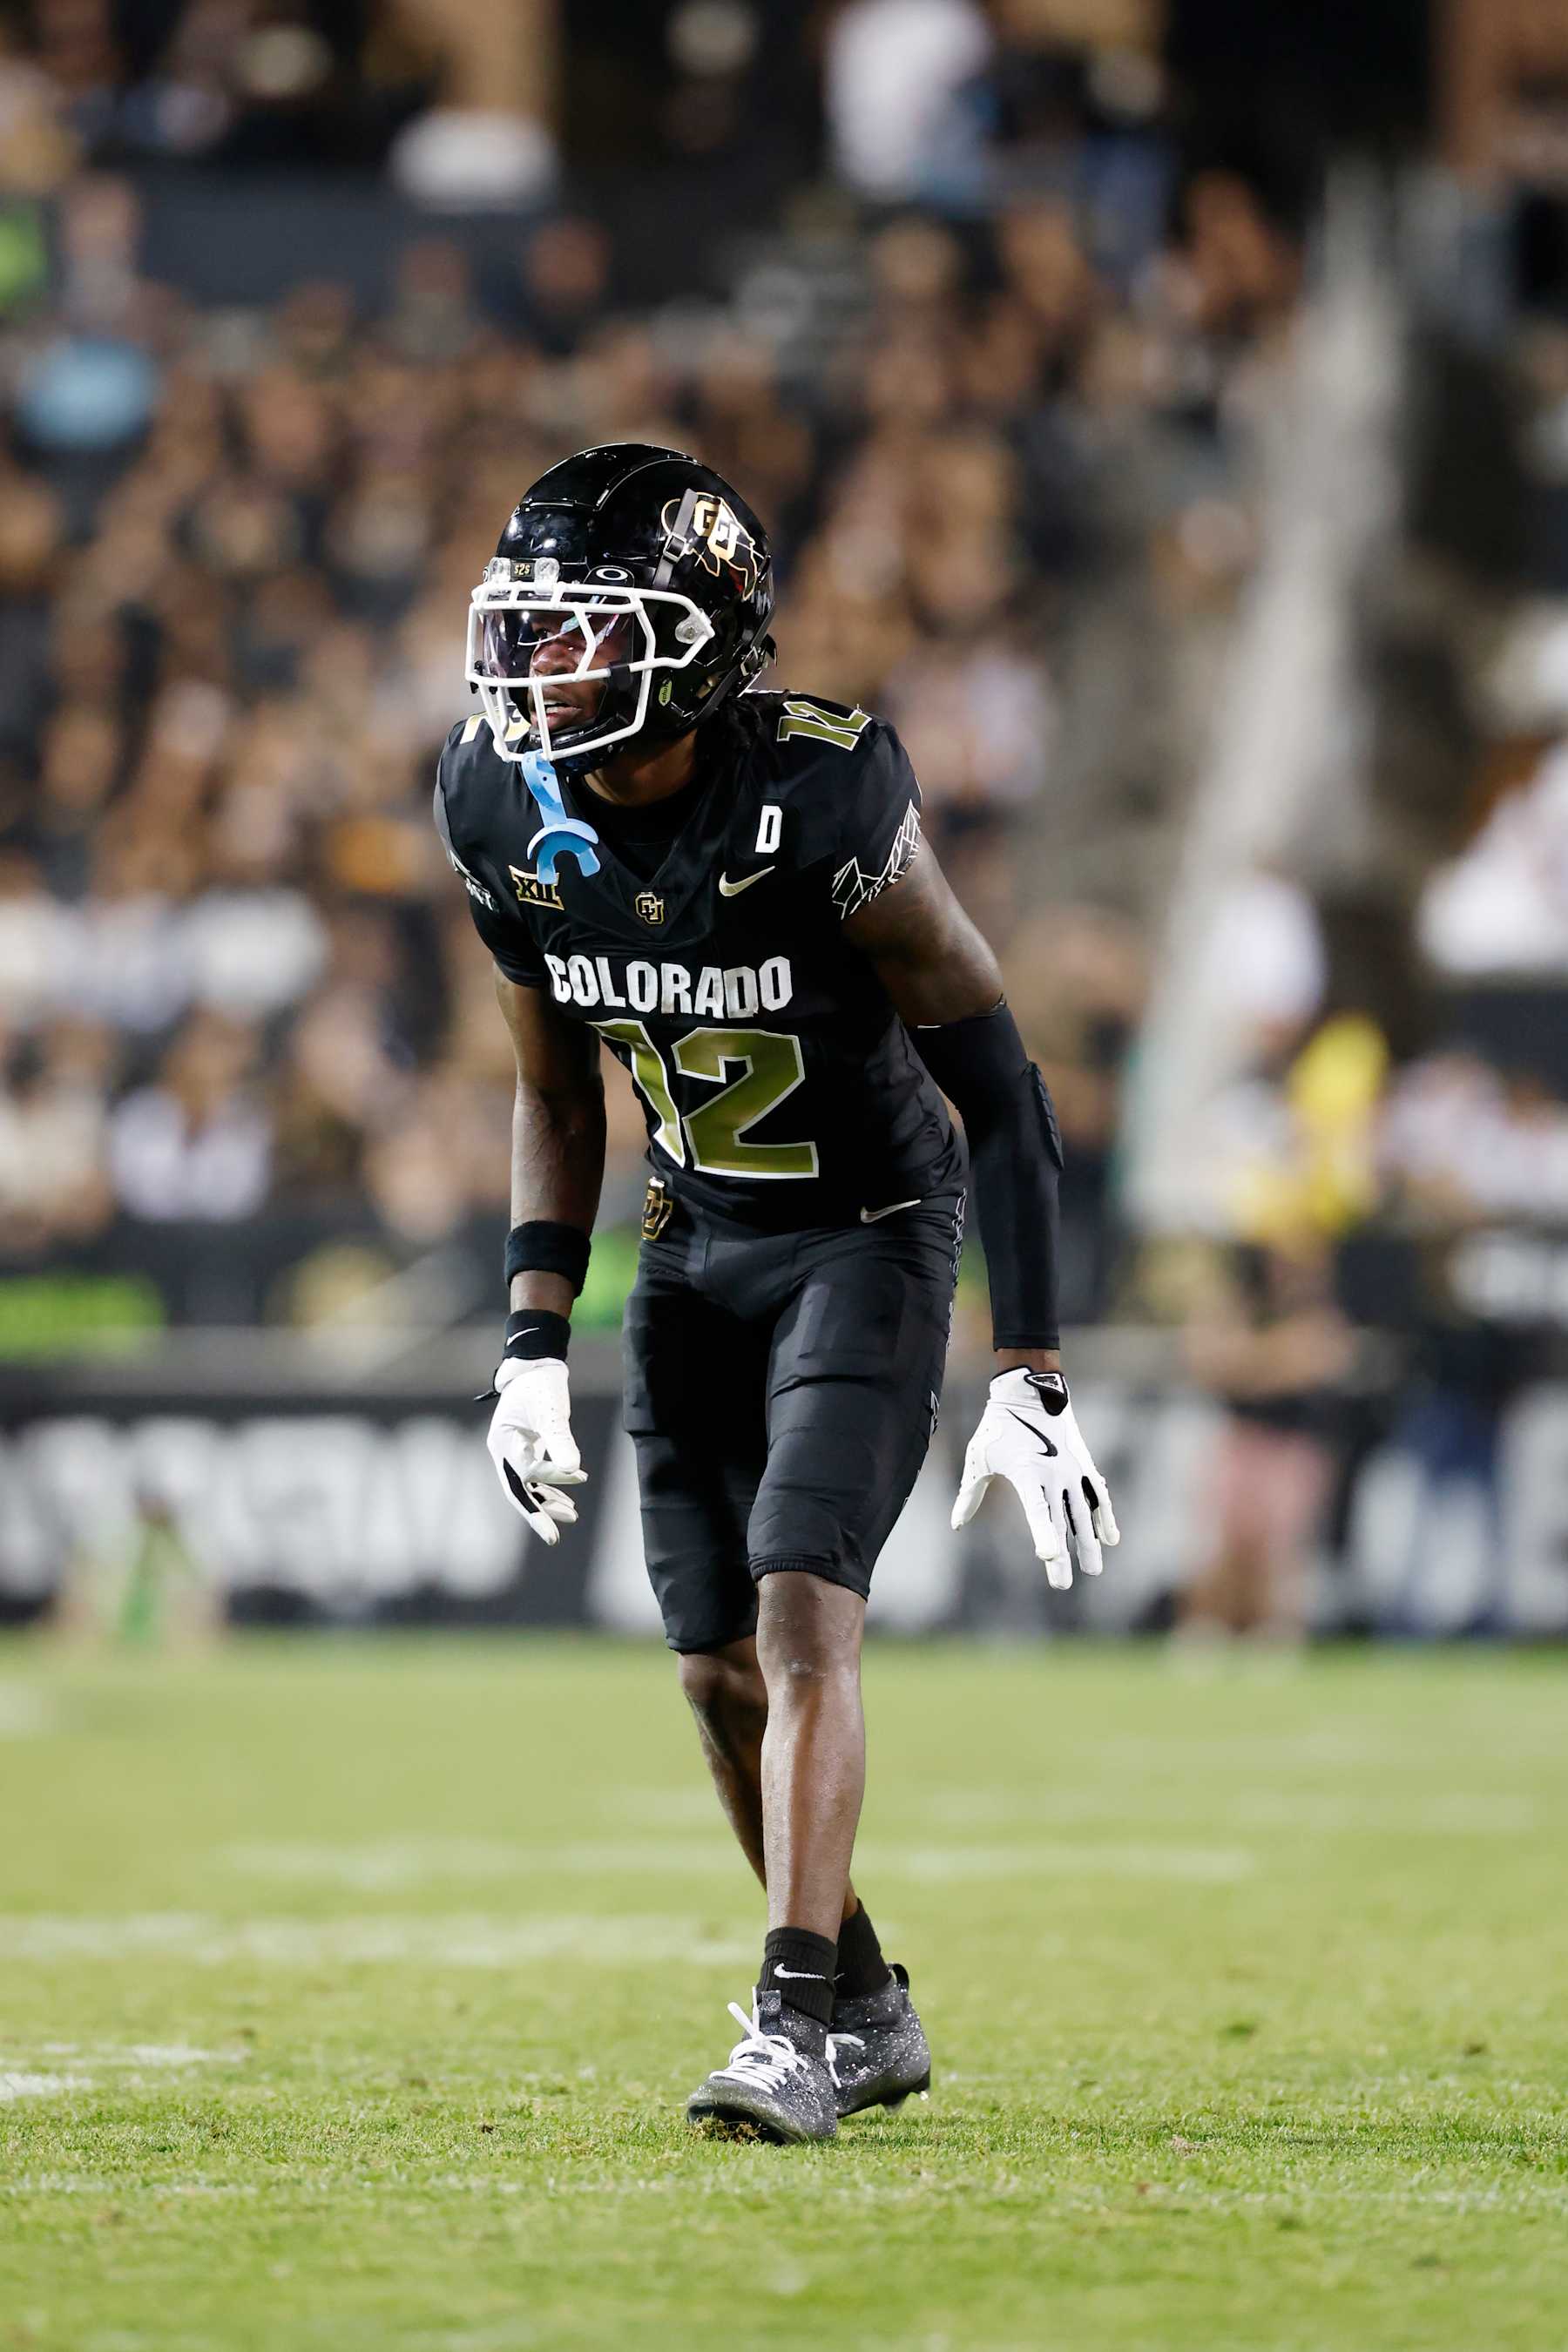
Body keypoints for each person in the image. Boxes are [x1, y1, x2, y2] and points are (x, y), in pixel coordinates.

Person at [435, 443, 1118, 2143]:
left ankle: (793, 2023)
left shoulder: (822, 794)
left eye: (588, 635)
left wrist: (1029, 1368)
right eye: (530, 632)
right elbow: (551, 1087)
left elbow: (1000, 1082)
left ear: (698, 641)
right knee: (713, 1675)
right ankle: (866, 2001)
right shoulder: (492, 800)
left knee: (806, 1616)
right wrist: (530, 1331)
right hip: (691, 1244)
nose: (542, 671)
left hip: (867, 1232)